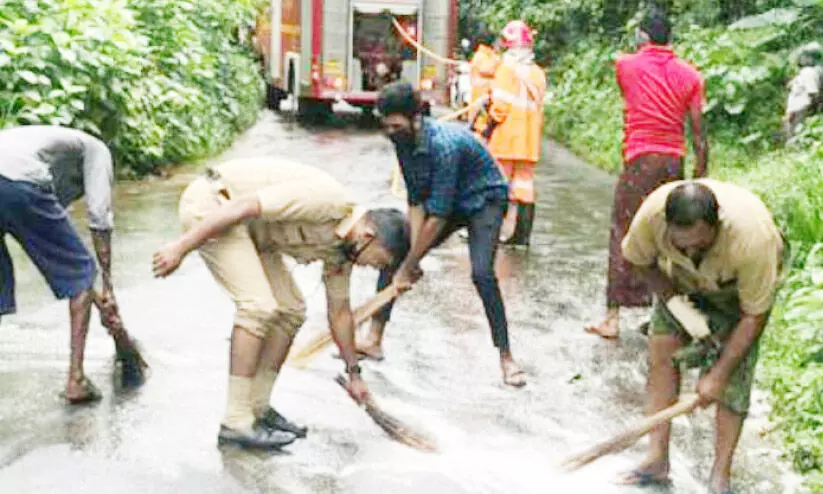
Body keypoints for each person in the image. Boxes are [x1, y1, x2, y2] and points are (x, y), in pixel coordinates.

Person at [152, 157, 410, 450]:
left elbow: (339, 314)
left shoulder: (343, 251)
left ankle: (258, 408)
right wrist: (181, 247)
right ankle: (235, 421)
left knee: (291, 310)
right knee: (257, 307)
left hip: (253, 233)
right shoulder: (328, 202)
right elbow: (243, 206)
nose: (370, 267)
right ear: (369, 236)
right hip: (215, 206)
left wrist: (354, 375)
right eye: (378, 261)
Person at [616, 179, 785, 494]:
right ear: (667, 225)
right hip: (678, 283)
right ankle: (656, 459)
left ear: (717, 225)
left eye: (700, 245)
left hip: (735, 297)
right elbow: (640, 260)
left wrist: (718, 375)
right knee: (662, 355)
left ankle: (720, 476)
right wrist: (677, 305)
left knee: (733, 383)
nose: (692, 251)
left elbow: (754, 315)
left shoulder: (753, 239)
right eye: (682, 246)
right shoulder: (651, 216)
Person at [356, 81, 527, 387]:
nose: (391, 132)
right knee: (395, 251)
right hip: (449, 201)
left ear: (414, 118)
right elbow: (416, 202)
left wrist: (410, 267)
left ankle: (506, 357)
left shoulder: (445, 146)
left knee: (482, 274)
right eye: (386, 126)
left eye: (396, 126)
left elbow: (438, 217)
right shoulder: (402, 141)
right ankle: (373, 339)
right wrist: (410, 258)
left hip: (485, 200)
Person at [586, 9, 708, 339]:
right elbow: (698, 133)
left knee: (624, 231)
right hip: (673, 163)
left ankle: (612, 318)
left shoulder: (625, 65)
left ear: (643, 36)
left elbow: (630, 97)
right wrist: (698, 177)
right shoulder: (691, 75)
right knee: (668, 236)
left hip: (640, 159)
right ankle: (661, 316)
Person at [0, 125, 128, 404]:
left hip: (11, 179)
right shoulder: (97, 151)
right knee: (81, 272)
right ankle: (76, 380)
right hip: (15, 181)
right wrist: (107, 287)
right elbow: (99, 218)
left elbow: (40, 239)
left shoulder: (42, 144)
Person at [480, 20, 547, 245]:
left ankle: (490, 232)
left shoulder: (506, 70)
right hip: (528, 141)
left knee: (497, 184)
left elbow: (500, 107)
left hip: (506, 139)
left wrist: (487, 130)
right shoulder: (537, 73)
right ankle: (522, 237)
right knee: (524, 186)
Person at [783, 43, 823, 137]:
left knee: (795, 138)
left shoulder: (808, 72)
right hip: (799, 112)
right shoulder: (815, 71)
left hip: (800, 112)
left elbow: (813, 94)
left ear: (810, 57)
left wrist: (810, 112)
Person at [468, 25, 501, 131]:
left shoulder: (484, 55)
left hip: (482, 101)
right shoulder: (484, 56)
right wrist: (499, 61)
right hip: (482, 102)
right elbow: (487, 70)